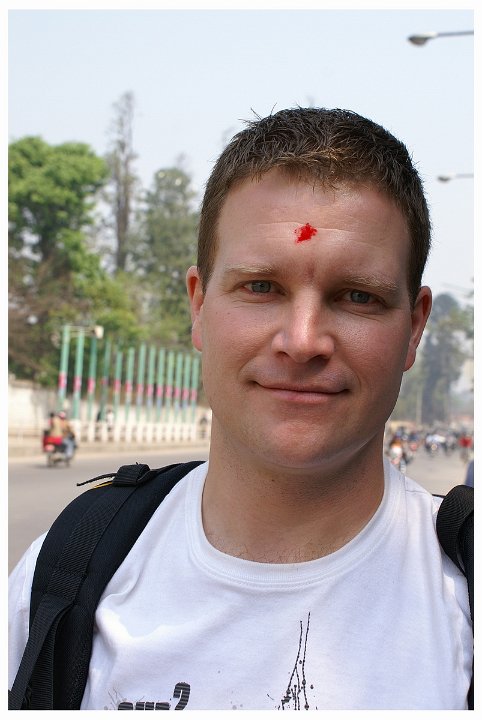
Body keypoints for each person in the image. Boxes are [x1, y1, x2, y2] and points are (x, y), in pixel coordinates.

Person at [9, 107, 472, 710]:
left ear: (414, 328)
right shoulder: (65, 574)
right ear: (199, 306)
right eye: (260, 287)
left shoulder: (463, 595)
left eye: (357, 297)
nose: (302, 341)